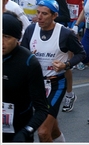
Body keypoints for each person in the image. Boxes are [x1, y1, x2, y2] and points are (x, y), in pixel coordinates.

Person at [20, 0, 86, 142]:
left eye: (44, 14)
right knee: (52, 128)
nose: (39, 17)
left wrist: (66, 65)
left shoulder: (65, 34)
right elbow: (22, 54)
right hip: (35, 85)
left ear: (54, 16)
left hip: (55, 85)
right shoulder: (31, 29)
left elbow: (82, 54)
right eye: (38, 13)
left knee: (43, 132)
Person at [2, 11, 49, 142]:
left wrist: (27, 130)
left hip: (18, 129)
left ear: (17, 39)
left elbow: (41, 109)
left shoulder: (29, 63)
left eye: (6, 37)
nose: (2, 41)